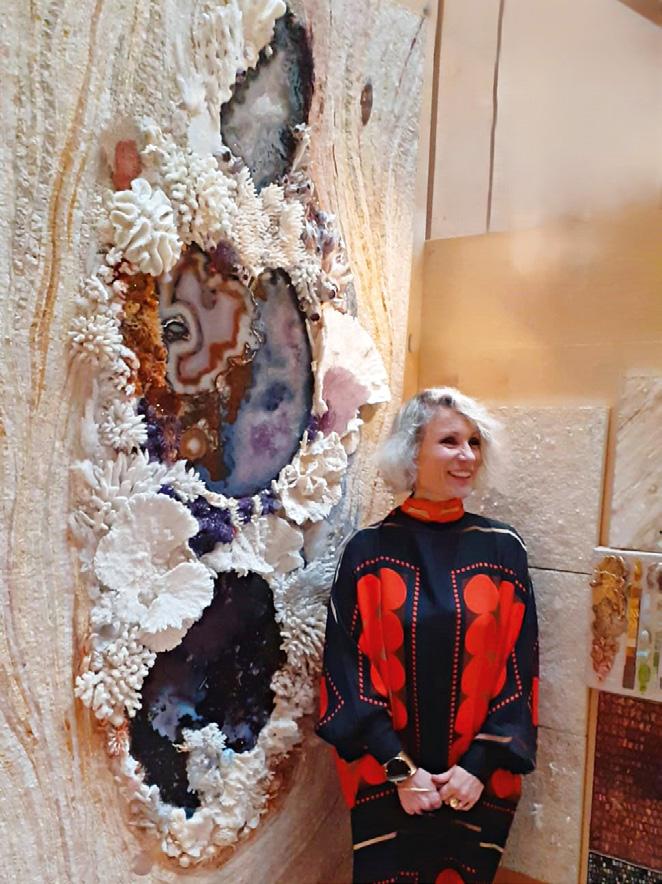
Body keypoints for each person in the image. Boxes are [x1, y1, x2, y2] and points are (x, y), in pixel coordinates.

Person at [316, 387, 539, 884]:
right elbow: (346, 677)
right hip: (387, 783)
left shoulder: (503, 550)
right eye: (450, 441)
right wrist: (401, 773)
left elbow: (520, 672)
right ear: (411, 450)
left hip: (477, 787)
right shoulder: (368, 552)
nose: (467, 456)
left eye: (475, 442)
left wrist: (477, 768)